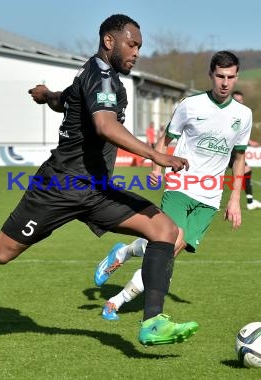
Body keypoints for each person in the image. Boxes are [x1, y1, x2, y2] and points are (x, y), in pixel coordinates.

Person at [0, 14, 198, 346]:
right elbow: (106, 127)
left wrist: (45, 95)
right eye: (131, 44)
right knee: (0, 252)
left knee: (165, 231)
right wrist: (157, 155)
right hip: (59, 187)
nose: (136, 52)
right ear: (109, 41)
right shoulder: (101, 76)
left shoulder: (96, 75)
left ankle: (152, 322)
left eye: (139, 46)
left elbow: (64, 100)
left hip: (96, 191)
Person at [93, 51, 252, 321]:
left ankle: (124, 253)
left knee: (170, 252)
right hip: (181, 184)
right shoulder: (190, 105)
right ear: (211, 75)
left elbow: (239, 158)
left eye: (230, 77)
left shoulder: (243, 115)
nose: (225, 83)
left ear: (237, 77)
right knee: (168, 243)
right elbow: (165, 140)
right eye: (220, 76)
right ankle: (115, 303)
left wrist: (234, 199)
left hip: (211, 196)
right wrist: (157, 168)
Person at [229, 90, 261, 210]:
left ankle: (250, 201)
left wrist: (249, 141)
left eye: (241, 100)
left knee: (246, 171)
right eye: (236, 100)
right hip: (226, 150)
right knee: (213, 175)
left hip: (235, 151)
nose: (239, 102)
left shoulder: (244, 114)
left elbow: (240, 133)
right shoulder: (228, 114)